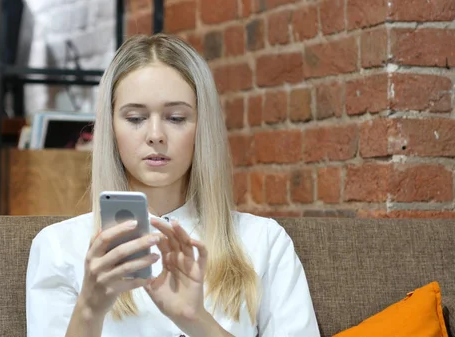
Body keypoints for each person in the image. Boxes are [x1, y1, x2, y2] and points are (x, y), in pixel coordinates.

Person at [25, 33, 320, 337]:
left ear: (201, 126)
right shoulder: (58, 247)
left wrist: (195, 319)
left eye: (176, 118)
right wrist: (89, 309)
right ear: (111, 127)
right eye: (136, 118)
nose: (156, 134)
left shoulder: (264, 242)